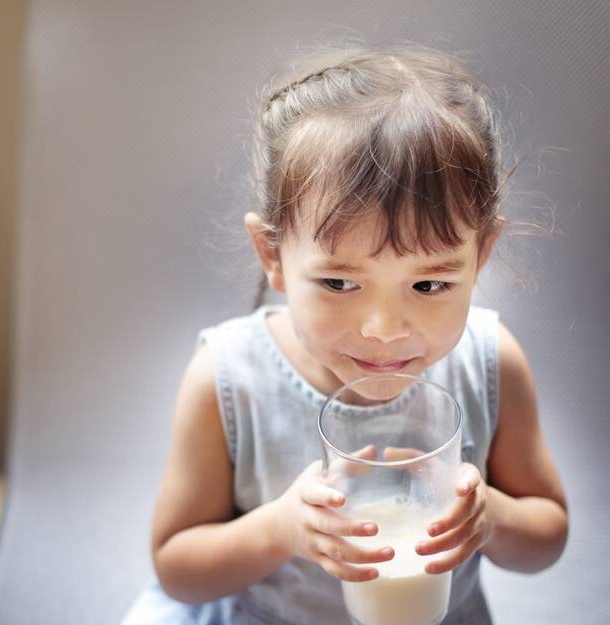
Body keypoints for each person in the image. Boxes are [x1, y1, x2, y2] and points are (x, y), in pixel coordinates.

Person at [119, 45, 568, 625]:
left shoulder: (490, 364)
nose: (384, 330)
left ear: (481, 256)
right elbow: (176, 567)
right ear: (272, 256)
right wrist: (279, 530)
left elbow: (548, 533)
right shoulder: (229, 380)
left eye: (429, 285)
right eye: (337, 282)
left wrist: (492, 519)